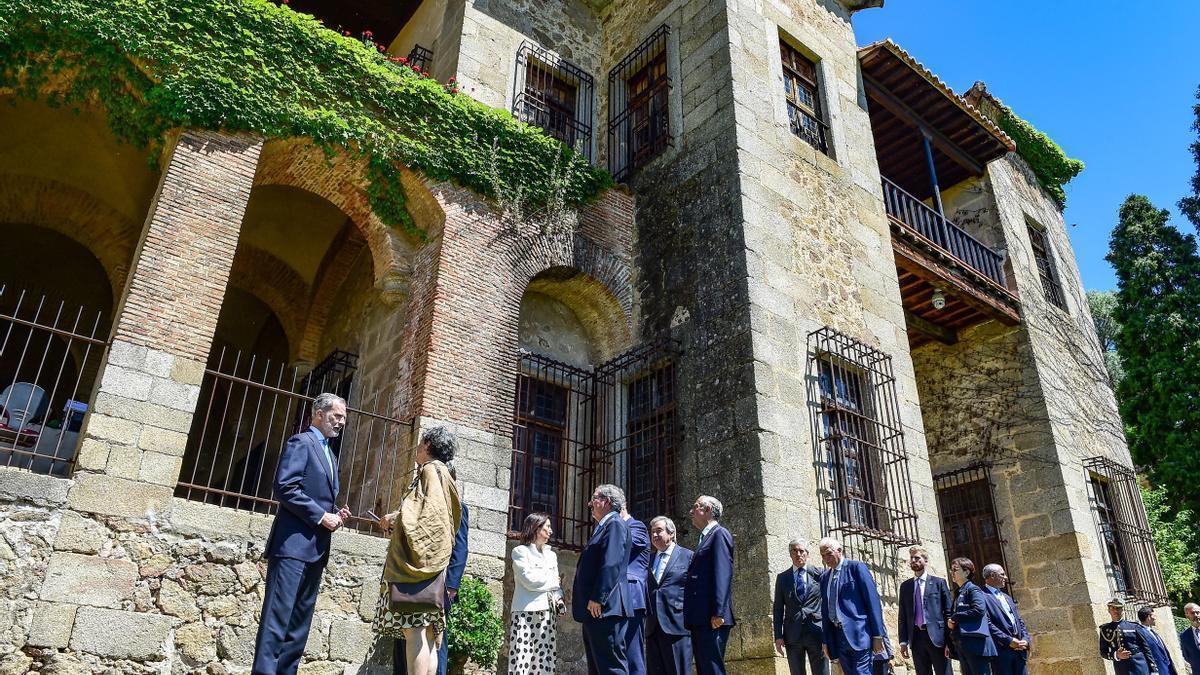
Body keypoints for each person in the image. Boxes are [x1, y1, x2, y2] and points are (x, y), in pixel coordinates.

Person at [253, 393, 351, 675]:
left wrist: (334, 514)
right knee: (277, 621)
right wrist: (322, 516)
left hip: (316, 550)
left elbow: (316, 497)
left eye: (344, 417)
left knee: (298, 628)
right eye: (337, 415)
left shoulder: (330, 453)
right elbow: (284, 487)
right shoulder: (301, 442)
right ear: (318, 414)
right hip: (292, 548)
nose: (342, 422)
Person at [375, 427, 462, 675]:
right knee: (428, 634)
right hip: (434, 566)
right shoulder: (445, 474)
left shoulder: (430, 471)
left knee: (414, 632)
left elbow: (427, 519)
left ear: (427, 444)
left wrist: (395, 519)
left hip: (420, 567)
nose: (417, 449)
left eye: (419, 444)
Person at [393, 465, 471, 675]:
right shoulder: (420, 504)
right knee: (406, 641)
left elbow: (460, 550)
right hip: (412, 583)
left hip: (440, 587)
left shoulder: (458, 508)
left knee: (435, 640)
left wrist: (451, 587)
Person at [573, 484, 633, 675]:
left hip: (606, 608)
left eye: (594, 498)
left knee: (611, 667)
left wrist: (599, 597)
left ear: (605, 501)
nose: (590, 503)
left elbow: (611, 563)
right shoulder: (604, 526)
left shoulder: (614, 524)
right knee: (598, 667)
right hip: (597, 611)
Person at [817, 537, 885, 675]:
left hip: (859, 633)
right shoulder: (824, 578)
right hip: (838, 636)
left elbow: (872, 601)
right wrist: (826, 641)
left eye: (829, 554)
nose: (826, 559)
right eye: (823, 556)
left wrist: (878, 635)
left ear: (839, 551)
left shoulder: (856, 568)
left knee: (862, 672)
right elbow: (825, 611)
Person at [684, 495, 736, 675]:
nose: (691, 511)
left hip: (712, 616)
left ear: (708, 510)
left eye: (695, 507)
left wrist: (718, 612)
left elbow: (722, 573)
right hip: (701, 617)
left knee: (712, 669)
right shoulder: (704, 538)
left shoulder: (719, 534)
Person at [508, 512, 562, 674]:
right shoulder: (520, 552)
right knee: (522, 660)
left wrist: (559, 598)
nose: (551, 531)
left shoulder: (551, 555)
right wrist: (553, 581)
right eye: (547, 527)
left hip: (547, 613)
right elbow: (529, 580)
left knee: (545, 660)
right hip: (525, 612)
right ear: (536, 528)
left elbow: (557, 587)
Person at [646, 516, 693, 675]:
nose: (654, 535)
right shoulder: (648, 559)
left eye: (658, 531)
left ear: (671, 534)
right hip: (653, 627)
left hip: (677, 626)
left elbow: (694, 591)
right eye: (652, 532)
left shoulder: (688, 556)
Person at [773, 538, 827, 675]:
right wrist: (778, 636)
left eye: (801, 551)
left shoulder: (819, 574)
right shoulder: (782, 578)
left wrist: (829, 633)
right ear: (790, 554)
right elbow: (778, 609)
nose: (798, 554)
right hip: (793, 635)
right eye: (794, 551)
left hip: (816, 633)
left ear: (807, 554)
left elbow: (827, 603)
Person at [897, 546, 953, 675]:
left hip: (937, 638)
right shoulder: (906, 586)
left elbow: (948, 613)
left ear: (925, 561)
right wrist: (903, 641)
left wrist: (949, 641)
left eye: (917, 558)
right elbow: (903, 616)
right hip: (916, 638)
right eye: (912, 558)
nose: (914, 560)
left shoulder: (939, 583)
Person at [946, 557, 996, 675]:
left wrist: (955, 618)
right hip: (964, 644)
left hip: (976, 645)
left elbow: (979, 610)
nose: (952, 573)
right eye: (951, 570)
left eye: (955, 570)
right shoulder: (960, 591)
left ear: (966, 572)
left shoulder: (973, 589)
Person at [980, 564, 1029, 675]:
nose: (1006, 577)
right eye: (1002, 574)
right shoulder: (982, 596)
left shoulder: (1007, 597)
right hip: (1001, 652)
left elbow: (1019, 621)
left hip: (1020, 650)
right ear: (992, 575)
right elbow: (987, 624)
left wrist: (1025, 639)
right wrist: (1008, 641)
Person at [623, 507, 651, 675]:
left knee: (633, 656)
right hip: (614, 600)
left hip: (632, 598)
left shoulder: (637, 526)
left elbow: (621, 544)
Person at [1099, 597, 1157, 674]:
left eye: (1119, 608)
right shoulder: (1105, 629)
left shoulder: (1134, 626)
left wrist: (1153, 670)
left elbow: (1146, 648)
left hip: (1139, 666)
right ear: (1109, 610)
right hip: (1121, 668)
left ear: (1123, 610)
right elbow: (1103, 652)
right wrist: (1116, 655)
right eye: (1113, 608)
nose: (1116, 611)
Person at [1137, 606, 1177, 675]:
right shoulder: (1141, 633)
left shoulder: (1152, 632)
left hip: (1168, 669)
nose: (1155, 618)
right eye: (1154, 615)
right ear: (1148, 617)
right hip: (1158, 671)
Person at [1180, 603, 1200, 674]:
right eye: (1192, 613)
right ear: (1186, 615)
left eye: (1197, 612)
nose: (1196, 615)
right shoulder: (1184, 636)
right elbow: (1186, 656)